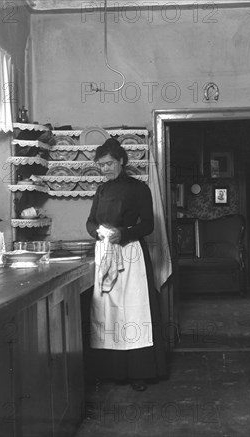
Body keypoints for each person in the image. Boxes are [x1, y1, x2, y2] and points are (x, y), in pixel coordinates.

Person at [86, 138, 168, 391]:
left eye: (109, 163)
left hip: (131, 255)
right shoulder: (101, 191)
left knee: (132, 311)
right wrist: (98, 233)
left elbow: (148, 225)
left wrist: (123, 233)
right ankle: (109, 370)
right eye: (101, 165)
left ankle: (139, 372)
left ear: (121, 161)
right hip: (105, 254)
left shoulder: (139, 189)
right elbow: (90, 222)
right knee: (107, 312)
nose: (106, 169)